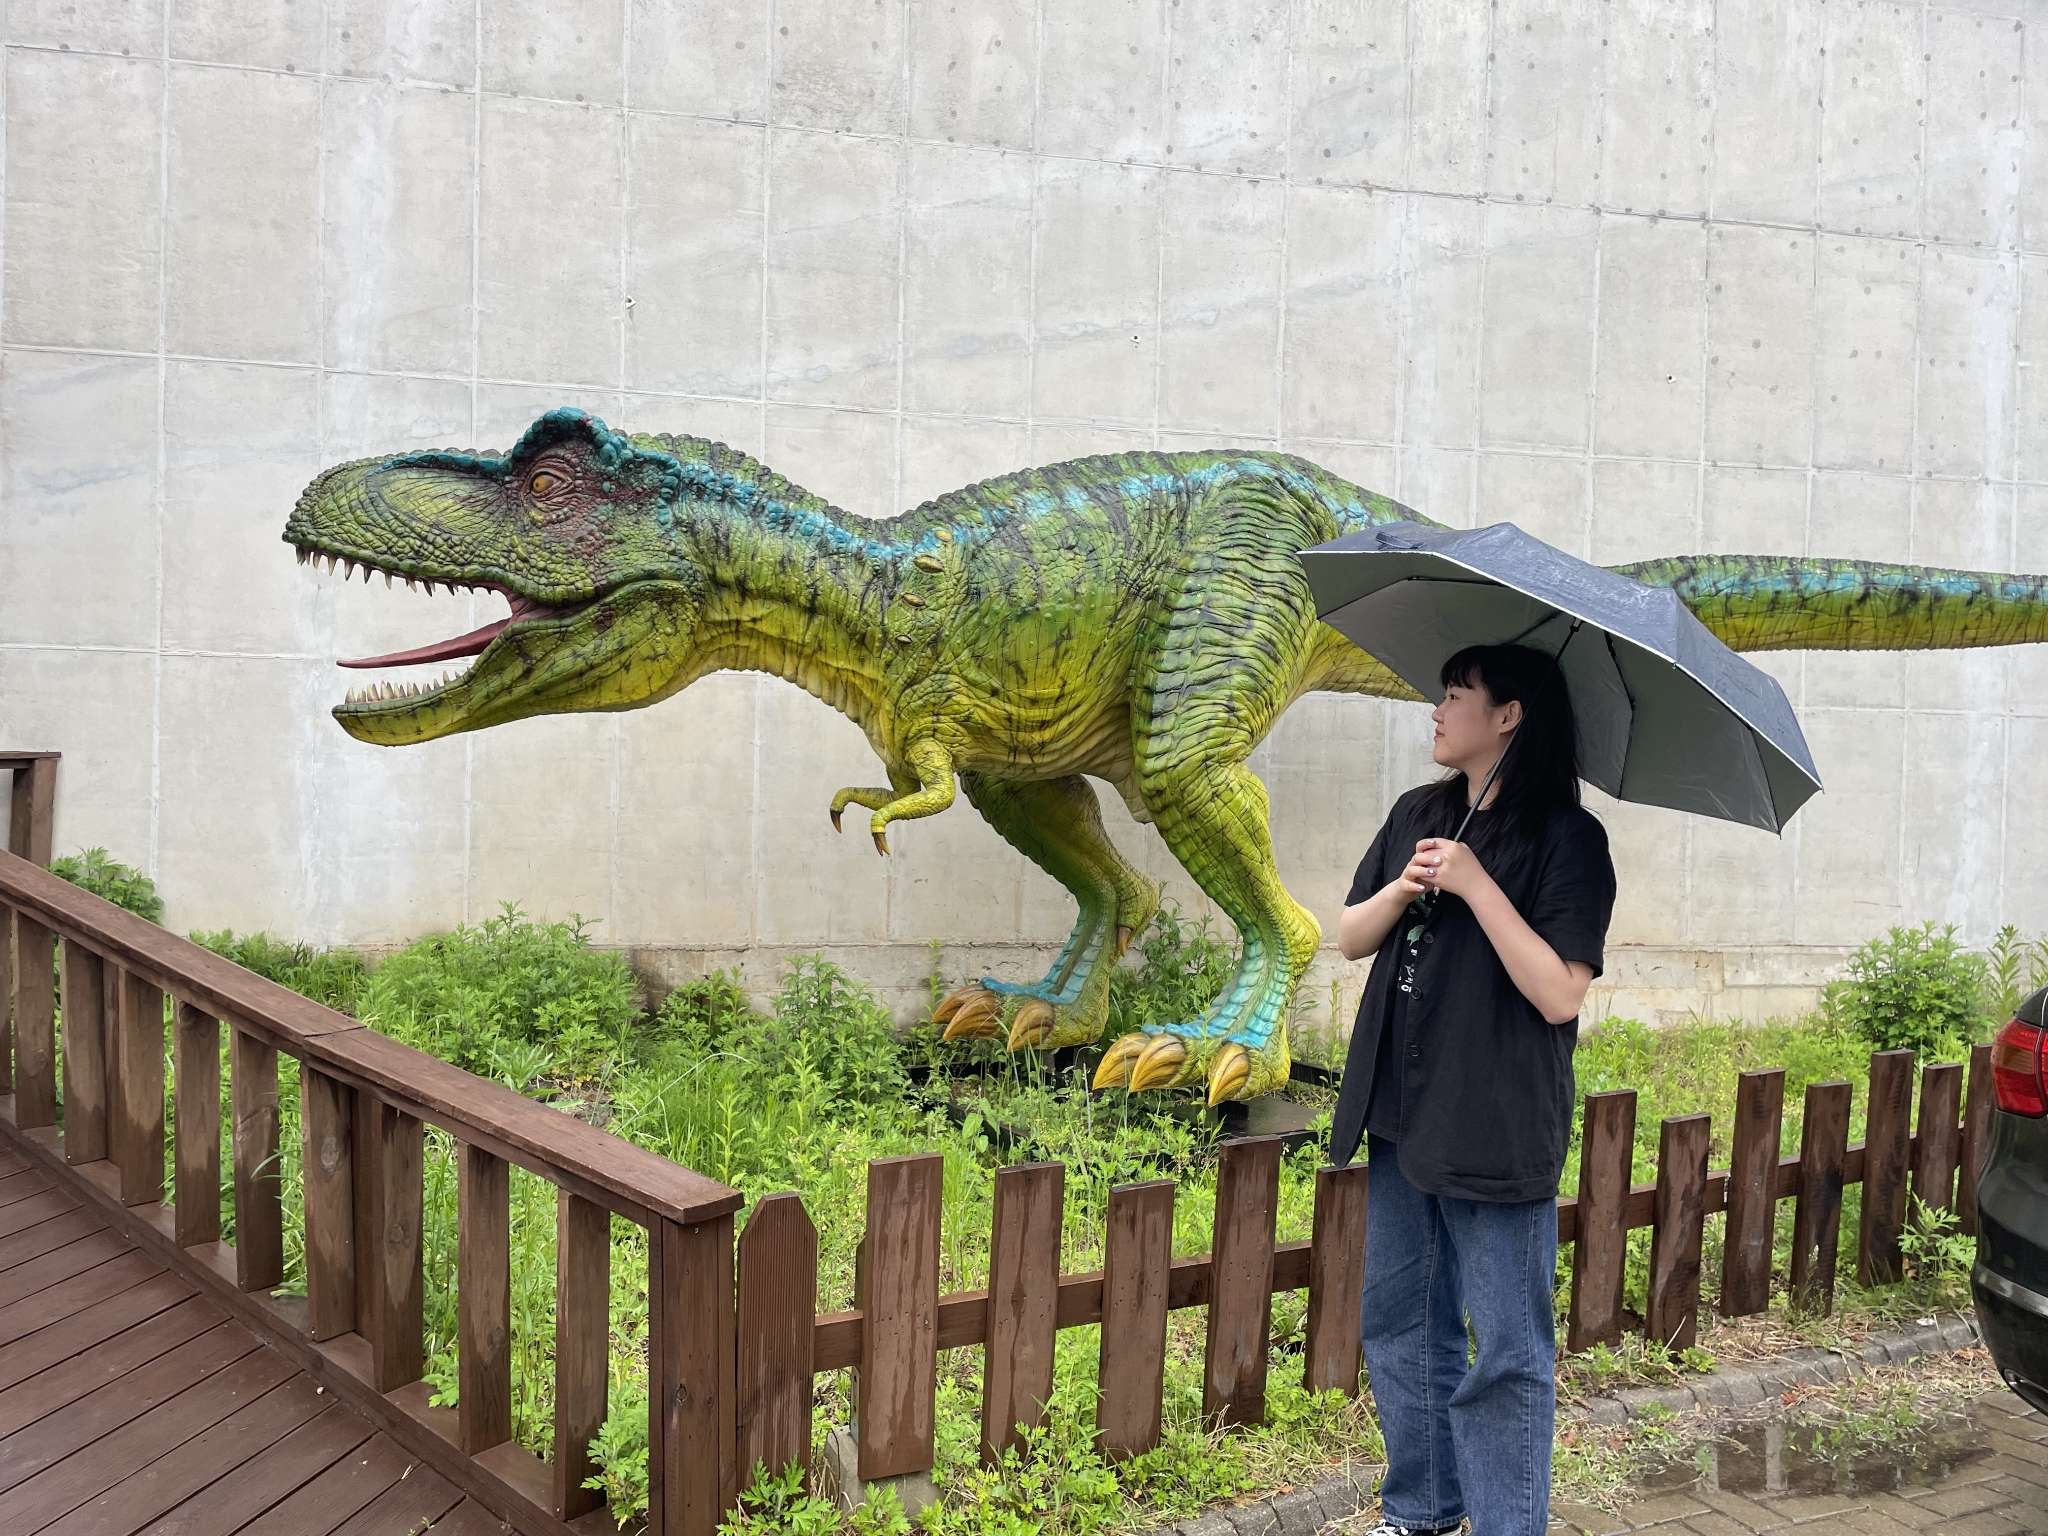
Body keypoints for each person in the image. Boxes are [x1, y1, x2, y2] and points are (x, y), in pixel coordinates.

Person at [1332, 642, 1618, 1536]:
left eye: (1456, 694)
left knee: (1505, 1350)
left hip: (1495, 1119)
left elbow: (1559, 991)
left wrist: (1475, 884)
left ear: (1509, 716)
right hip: (1402, 1109)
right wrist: (1406, 886)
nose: (1437, 710)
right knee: (1401, 1325)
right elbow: (1347, 934)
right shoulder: (1421, 811)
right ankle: (1422, 1509)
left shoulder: (1567, 837)